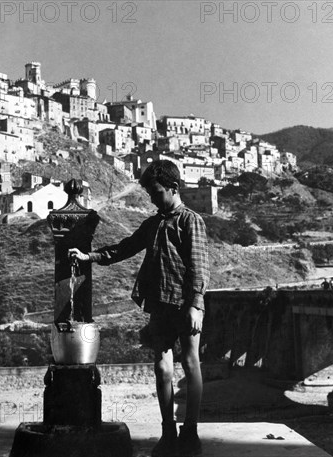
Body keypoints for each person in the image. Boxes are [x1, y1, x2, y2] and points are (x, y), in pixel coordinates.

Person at [69, 160, 209, 457]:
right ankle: (168, 432)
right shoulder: (153, 223)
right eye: (149, 193)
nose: (152, 198)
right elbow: (123, 248)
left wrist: (195, 305)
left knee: (192, 364)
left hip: (185, 305)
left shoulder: (190, 221)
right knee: (162, 368)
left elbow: (199, 267)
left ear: (173, 188)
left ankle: (191, 433)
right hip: (160, 304)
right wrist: (89, 257)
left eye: (156, 193)